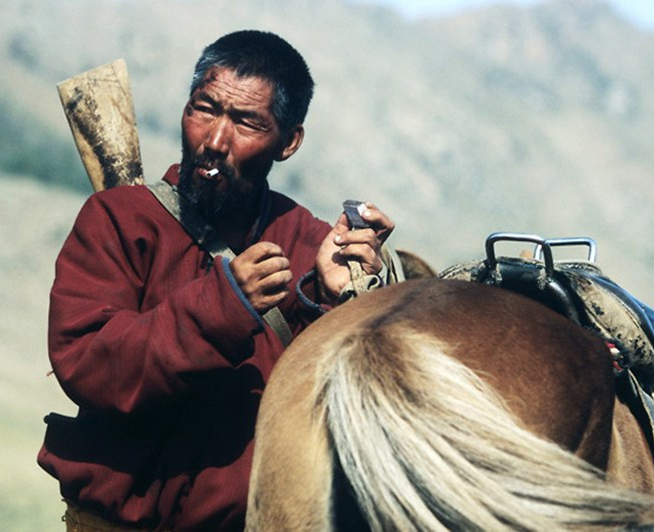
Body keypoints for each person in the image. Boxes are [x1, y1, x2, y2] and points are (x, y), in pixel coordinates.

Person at [38, 30, 395, 531]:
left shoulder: (307, 243)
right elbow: (89, 367)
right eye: (204, 109)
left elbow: (333, 409)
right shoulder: (118, 219)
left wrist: (329, 299)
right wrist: (224, 305)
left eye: (248, 122)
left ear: (288, 142)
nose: (214, 141)